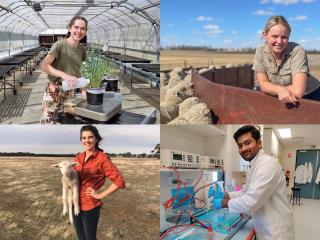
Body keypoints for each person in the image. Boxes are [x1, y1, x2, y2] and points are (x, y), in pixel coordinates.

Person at [209, 125, 294, 240]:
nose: (243, 148)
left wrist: (223, 203)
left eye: (247, 143)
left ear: (259, 143)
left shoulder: (267, 165)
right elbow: (245, 192)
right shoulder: (254, 165)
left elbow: (251, 201)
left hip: (276, 231)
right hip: (265, 226)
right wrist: (225, 194)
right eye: (240, 146)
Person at [72, 125, 126, 240]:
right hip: (75, 203)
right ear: (81, 140)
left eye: (90, 137)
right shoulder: (78, 157)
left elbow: (119, 181)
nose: (87, 141)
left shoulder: (102, 158)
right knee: (80, 237)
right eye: (84, 138)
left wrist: (99, 195)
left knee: (90, 237)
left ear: (96, 139)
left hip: (90, 205)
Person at [253, 15, 320, 105]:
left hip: (311, 96)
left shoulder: (297, 50)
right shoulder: (260, 51)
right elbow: (263, 84)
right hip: (283, 95)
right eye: (274, 36)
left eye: (284, 37)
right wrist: (279, 89)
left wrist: (273, 89)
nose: (279, 41)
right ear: (265, 35)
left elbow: (298, 91)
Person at [40, 16, 87, 124]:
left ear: (85, 31)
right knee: (50, 122)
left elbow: (80, 69)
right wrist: (63, 75)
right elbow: (44, 65)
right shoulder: (59, 45)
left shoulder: (82, 49)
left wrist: (84, 88)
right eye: (76, 27)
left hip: (70, 90)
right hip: (54, 89)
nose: (79, 31)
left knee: (68, 120)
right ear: (70, 28)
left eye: (82, 28)